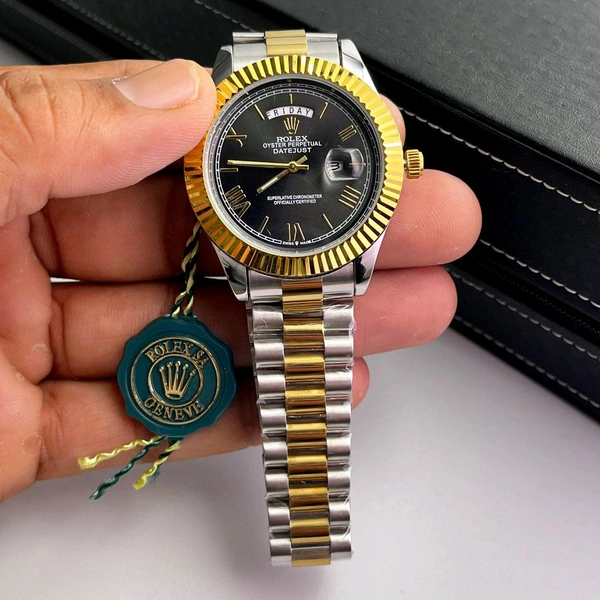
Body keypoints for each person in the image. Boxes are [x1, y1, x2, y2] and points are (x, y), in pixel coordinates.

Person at [0, 58, 481, 502]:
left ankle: (312, 517)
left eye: (301, 165)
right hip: (258, 250)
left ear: (396, 167)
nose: (296, 167)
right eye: (290, 167)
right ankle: (310, 515)